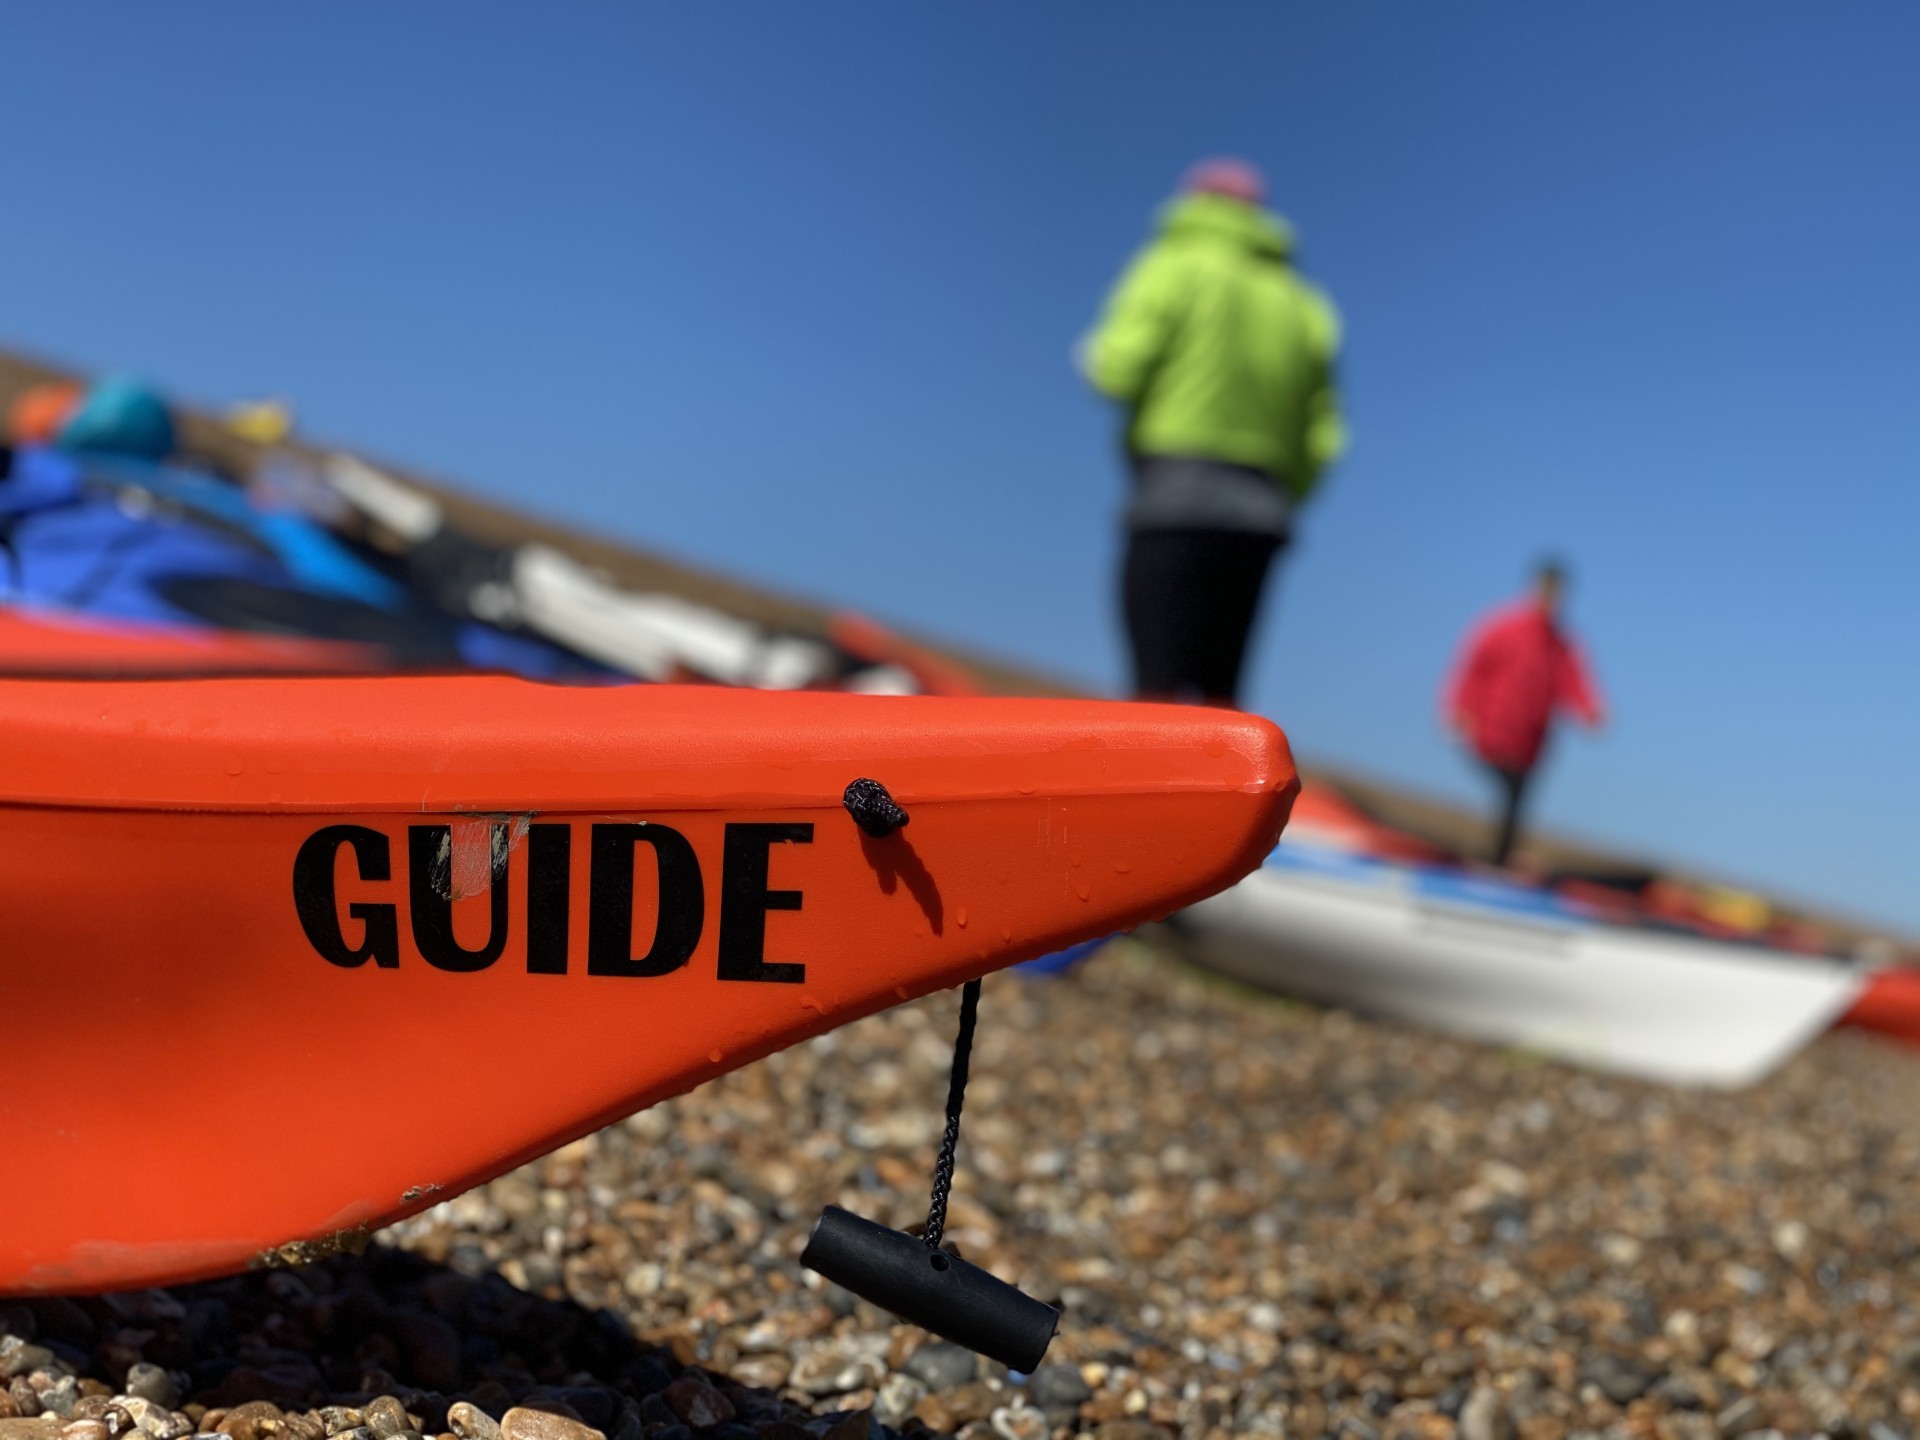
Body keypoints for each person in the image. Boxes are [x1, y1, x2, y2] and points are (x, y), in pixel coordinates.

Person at [1080, 158, 1345, 706]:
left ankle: (1149, 786)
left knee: (1154, 686)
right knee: (1221, 695)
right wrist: (1280, 493)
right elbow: (1324, 436)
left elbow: (1117, 370)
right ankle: (1222, 790)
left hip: (1171, 499)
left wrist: (1092, 359)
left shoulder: (1172, 264)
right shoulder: (1303, 303)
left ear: (1194, 202)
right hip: (1260, 517)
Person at [1444, 560, 1606, 867]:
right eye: (1546, 591)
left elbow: (1573, 684)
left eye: (1557, 593)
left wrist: (1590, 711)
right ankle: (1483, 855)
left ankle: (1498, 862)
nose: (1551, 599)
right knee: (1505, 793)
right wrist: (1458, 710)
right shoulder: (1502, 627)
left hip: (1529, 747)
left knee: (1517, 802)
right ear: (1533, 588)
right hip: (1490, 734)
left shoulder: (1561, 645)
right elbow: (1472, 669)